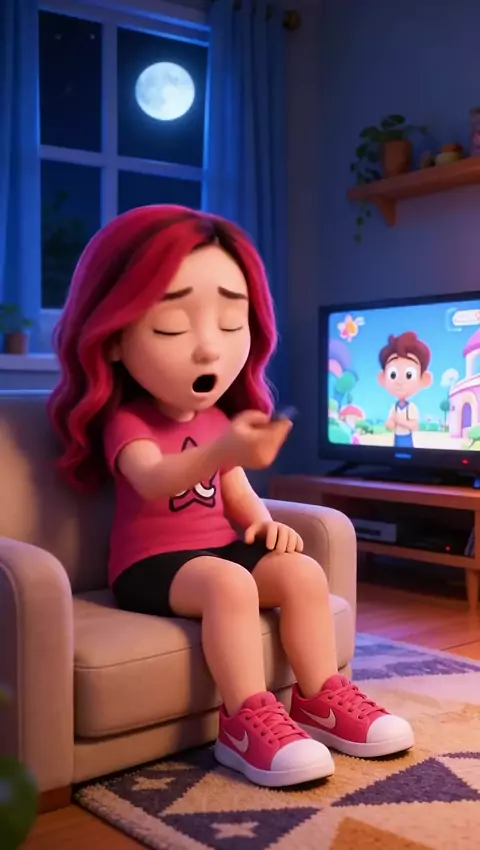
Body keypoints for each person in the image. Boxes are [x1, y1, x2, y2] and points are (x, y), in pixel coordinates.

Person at [48, 205, 414, 789]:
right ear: (112, 340)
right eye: (172, 327)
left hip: (218, 551)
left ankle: (320, 699)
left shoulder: (218, 417)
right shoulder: (128, 421)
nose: (208, 351)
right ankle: (243, 723)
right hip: (150, 567)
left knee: (301, 573)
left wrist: (263, 524)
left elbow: (236, 491)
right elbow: (153, 479)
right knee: (230, 584)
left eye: (229, 324)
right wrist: (221, 451)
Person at [378, 332, 432, 449]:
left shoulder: (411, 407)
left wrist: (400, 421)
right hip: (396, 438)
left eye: (409, 375)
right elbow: (389, 424)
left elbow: (414, 426)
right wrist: (390, 423)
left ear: (423, 379)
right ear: (382, 378)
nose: (400, 382)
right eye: (393, 375)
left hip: (407, 438)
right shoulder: (394, 407)